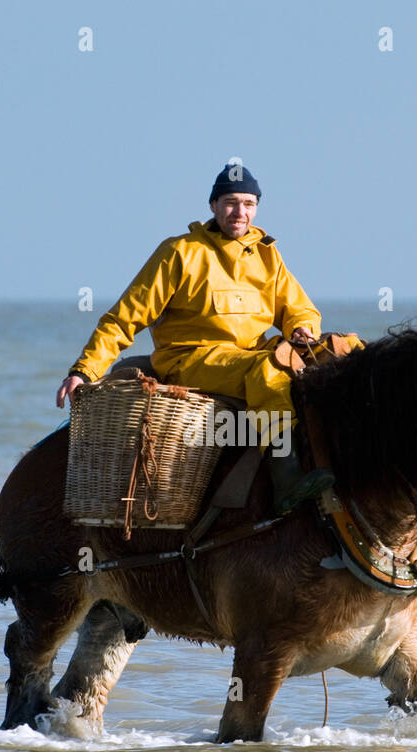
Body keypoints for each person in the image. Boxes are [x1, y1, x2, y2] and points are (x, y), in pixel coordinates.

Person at [55, 162, 355, 514]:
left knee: (346, 350)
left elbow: (299, 309)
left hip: (250, 353)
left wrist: (302, 329)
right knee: (268, 369)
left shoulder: (267, 254)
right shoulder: (180, 252)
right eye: (230, 202)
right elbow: (125, 318)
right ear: (213, 205)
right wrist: (85, 371)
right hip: (191, 358)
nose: (239, 212)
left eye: (248, 203)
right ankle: (287, 476)